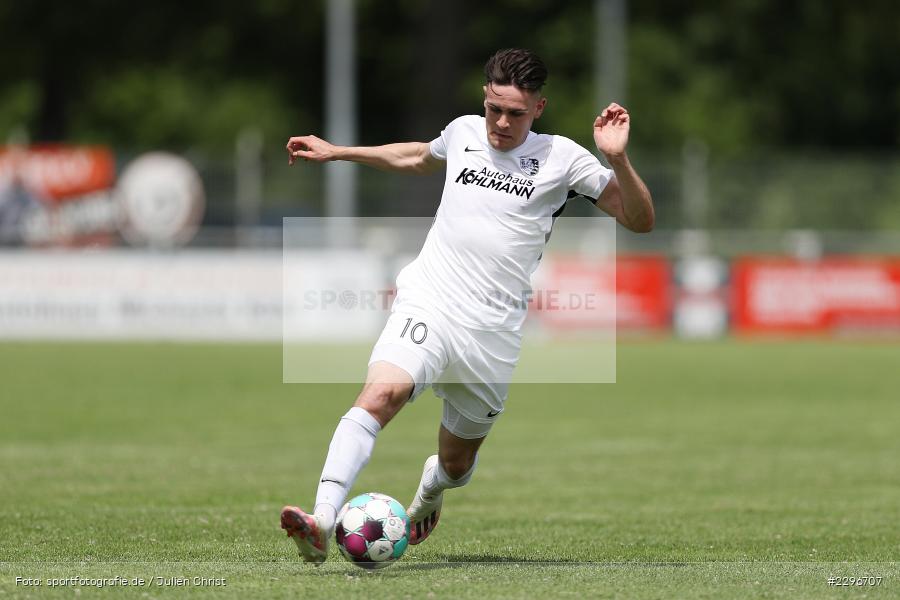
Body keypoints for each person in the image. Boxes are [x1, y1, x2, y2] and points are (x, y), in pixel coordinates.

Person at [281, 48, 654, 563]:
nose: (501, 122)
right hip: (430, 301)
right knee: (382, 392)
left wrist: (617, 159)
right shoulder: (462, 132)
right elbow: (418, 157)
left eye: (516, 113)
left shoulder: (563, 158)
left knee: (457, 464)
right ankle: (321, 519)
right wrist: (339, 151)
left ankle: (433, 485)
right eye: (494, 108)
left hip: (492, 335)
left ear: (539, 108)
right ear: (484, 97)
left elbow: (640, 220)